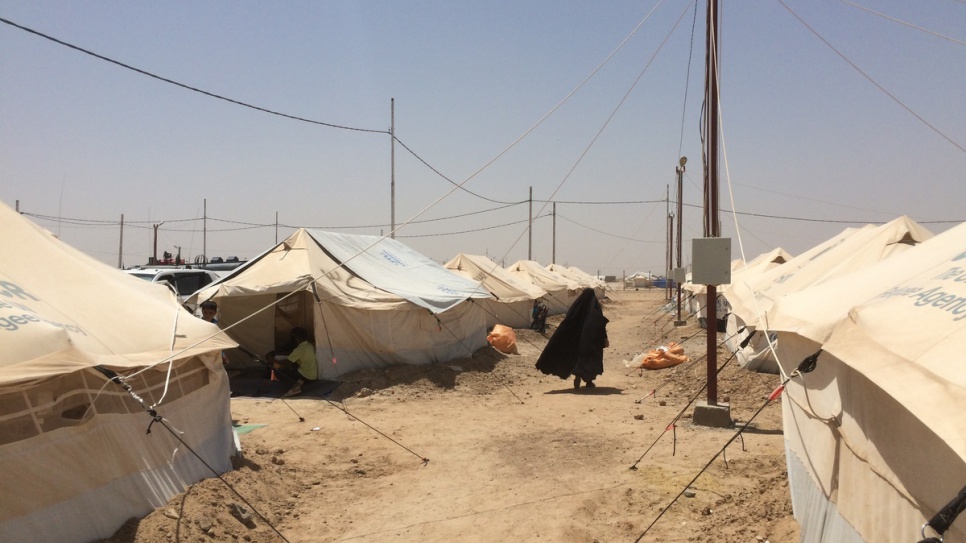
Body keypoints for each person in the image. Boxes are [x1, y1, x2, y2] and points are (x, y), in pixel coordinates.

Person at [535, 289, 609, 389]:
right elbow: (600, 324)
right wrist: (604, 338)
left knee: (578, 357)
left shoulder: (577, 308)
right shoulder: (595, 309)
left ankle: (578, 375)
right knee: (590, 360)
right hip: (591, 341)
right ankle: (589, 381)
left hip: (578, 340)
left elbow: (567, 323)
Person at [273, 327, 318, 397]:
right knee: (295, 368)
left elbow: (287, 363)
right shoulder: (310, 346)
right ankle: (300, 382)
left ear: (296, 338)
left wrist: (272, 360)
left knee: (279, 372)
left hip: (306, 376)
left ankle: (294, 387)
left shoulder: (299, 349)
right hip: (313, 375)